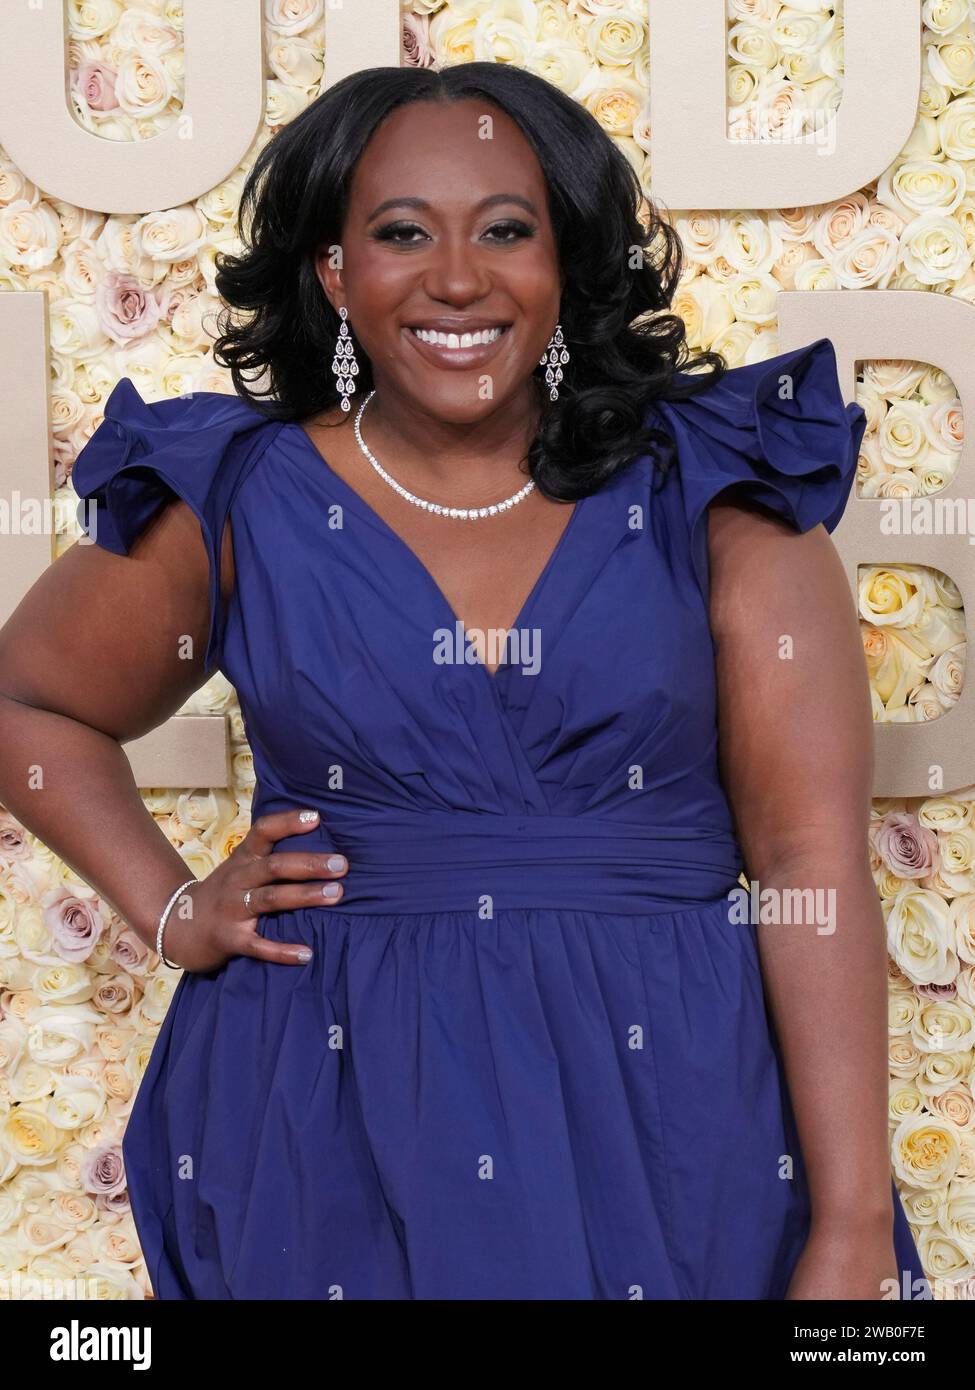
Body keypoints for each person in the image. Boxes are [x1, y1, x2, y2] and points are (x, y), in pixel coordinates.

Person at [0, 62, 928, 1301]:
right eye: (398, 234)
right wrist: (174, 907)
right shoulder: (239, 500)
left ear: (566, 263)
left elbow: (811, 868)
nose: (456, 279)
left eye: (506, 230)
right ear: (334, 273)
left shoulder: (715, 489)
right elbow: (25, 705)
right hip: (327, 1117)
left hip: (677, 1120)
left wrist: (853, 1224)